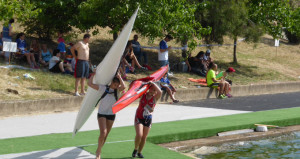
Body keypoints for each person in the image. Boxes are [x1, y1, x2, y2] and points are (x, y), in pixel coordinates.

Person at [88, 73, 125, 159]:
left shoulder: (117, 91)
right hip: (102, 113)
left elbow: (124, 87)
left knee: (106, 134)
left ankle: (99, 149)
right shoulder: (103, 88)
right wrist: (93, 75)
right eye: (114, 84)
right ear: (111, 82)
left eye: (117, 85)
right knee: (103, 132)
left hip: (111, 114)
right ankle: (98, 152)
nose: (116, 86)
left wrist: (119, 77)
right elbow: (90, 84)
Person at [132, 81, 162, 158]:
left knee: (144, 137)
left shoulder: (155, 98)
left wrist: (154, 83)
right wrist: (147, 84)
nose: (153, 91)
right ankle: (135, 149)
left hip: (148, 118)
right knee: (139, 134)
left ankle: (139, 152)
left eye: (154, 90)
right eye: (152, 89)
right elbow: (136, 90)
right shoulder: (143, 94)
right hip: (139, 117)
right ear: (149, 89)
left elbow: (160, 92)